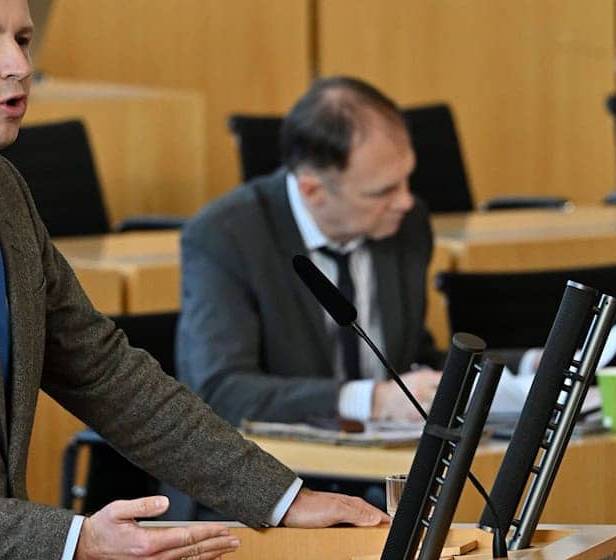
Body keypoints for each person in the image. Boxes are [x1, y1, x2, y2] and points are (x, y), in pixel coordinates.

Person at [0, 2, 389, 559]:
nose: (18, 64)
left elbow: (104, 372)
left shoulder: (2, 193)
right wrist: (74, 540)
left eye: (22, 39)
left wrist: (281, 498)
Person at [177, 76, 445, 427]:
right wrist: (370, 401)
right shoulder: (225, 236)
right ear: (313, 191)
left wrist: (523, 367)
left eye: (407, 179)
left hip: (386, 461)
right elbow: (221, 391)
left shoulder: (407, 224)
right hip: (273, 467)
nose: (405, 201)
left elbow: (409, 357)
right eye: (383, 192)